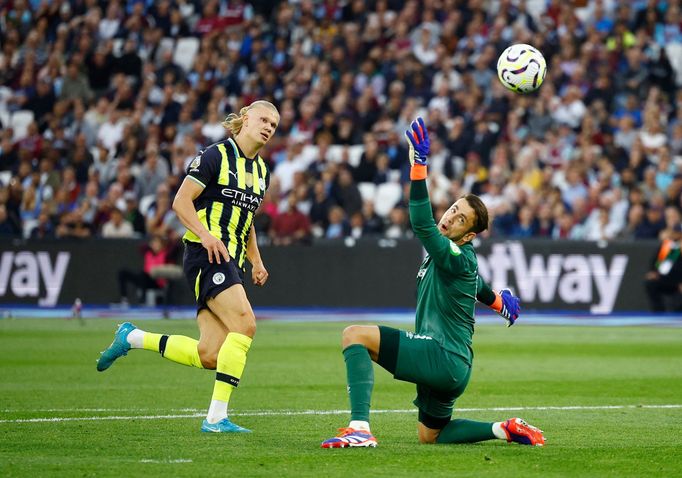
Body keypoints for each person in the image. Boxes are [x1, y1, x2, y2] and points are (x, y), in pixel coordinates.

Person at [321, 118, 545, 448]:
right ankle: (504, 428)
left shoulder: (454, 253)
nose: (450, 217)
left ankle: (359, 429)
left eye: (460, 219)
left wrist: (419, 165)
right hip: (454, 367)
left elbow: (421, 222)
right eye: (454, 209)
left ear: (469, 234)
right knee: (432, 436)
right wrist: (497, 301)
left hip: (441, 354)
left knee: (354, 335)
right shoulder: (457, 257)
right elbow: (478, 285)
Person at [97, 100, 280, 434]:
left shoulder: (262, 172)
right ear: (245, 119)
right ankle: (215, 419)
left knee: (210, 353)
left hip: (232, 260)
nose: (268, 127)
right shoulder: (214, 156)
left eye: (274, 125)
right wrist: (206, 235)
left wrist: (257, 260)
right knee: (246, 324)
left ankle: (132, 337)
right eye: (264, 120)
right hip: (205, 254)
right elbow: (180, 202)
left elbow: (248, 220)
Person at [644, 223, 682, 312]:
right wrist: (653, 272)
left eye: (678, 233)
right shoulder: (668, 245)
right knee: (651, 284)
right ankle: (658, 313)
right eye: (675, 232)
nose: (675, 235)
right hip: (667, 279)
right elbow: (656, 262)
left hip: (678, 281)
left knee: (678, 305)